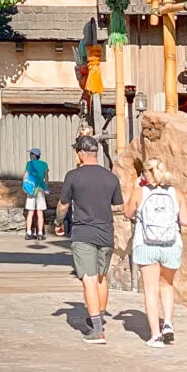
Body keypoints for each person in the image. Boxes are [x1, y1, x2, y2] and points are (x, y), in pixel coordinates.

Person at [54, 135, 123, 345]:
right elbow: (117, 205)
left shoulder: (73, 176)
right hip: (106, 233)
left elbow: (63, 204)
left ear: (82, 153)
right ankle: (99, 318)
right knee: (102, 277)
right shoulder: (111, 177)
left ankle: (97, 330)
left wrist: (58, 222)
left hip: (84, 232)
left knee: (89, 279)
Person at [124, 157, 187, 348]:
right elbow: (185, 220)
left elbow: (128, 213)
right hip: (171, 244)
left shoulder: (140, 192)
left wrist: (135, 187)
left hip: (146, 244)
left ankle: (155, 335)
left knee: (151, 290)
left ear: (146, 173)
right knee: (167, 285)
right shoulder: (176, 193)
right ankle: (168, 323)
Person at [23, 147, 50, 241]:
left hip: (31, 189)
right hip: (41, 189)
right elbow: (46, 178)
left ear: (34, 155)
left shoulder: (29, 164)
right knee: (40, 212)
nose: (30, 156)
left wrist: (24, 187)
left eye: (31, 154)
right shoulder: (44, 164)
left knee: (30, 212)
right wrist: (47, 188)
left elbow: (26, 176)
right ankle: (40, 233)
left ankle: (28, 233)